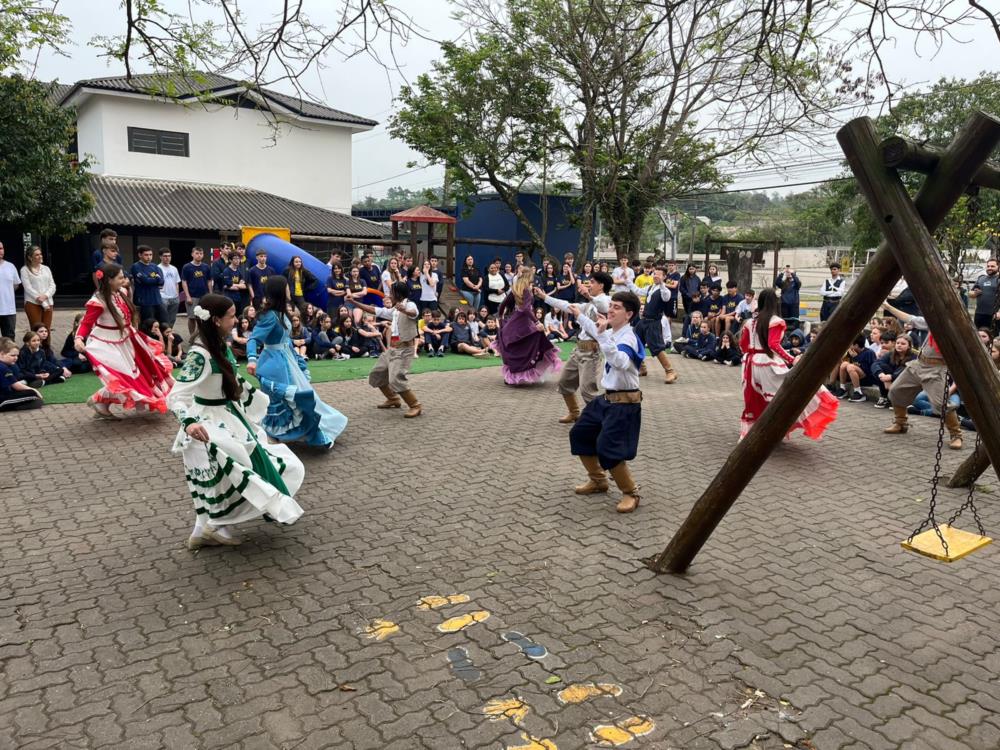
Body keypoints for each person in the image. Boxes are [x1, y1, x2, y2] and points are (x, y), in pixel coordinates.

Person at [168, 293, 305, 550]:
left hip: (228, 417)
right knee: (236, 471)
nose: (237, 320)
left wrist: (255, 397)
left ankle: (205, 530)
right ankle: (214, 527)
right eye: (232, 316)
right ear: (217, 319)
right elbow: (176, 395)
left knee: (232, 473)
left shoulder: (219, 344)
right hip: (208, 423)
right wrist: (188, 423)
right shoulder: (200, 354)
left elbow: (233, 382)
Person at [247, 276, 348, 448]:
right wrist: (251, 359)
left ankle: (304, 431)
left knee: (302, 395)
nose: (289, 289)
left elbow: (286, 341)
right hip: (276, 363)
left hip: (287, 359)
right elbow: (253, 338)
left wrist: (298, 359)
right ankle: (282, 434)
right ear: (280, 290)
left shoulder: (282, 312)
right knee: (290, 398)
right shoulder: (270, 316)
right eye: (287, 286)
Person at [568, 291, 644, 513]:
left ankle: (631, 492)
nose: (610, 309)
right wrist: (579, 315)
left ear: (629, 314)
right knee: (580, 433)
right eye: (610, 305)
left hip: (625, 403)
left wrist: (602, 336)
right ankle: (599, 481)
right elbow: (597, 330)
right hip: (607, 399)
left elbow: (620, 362)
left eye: (617, 307)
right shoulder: (613, 331)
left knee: (607, 447)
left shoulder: (629, 337)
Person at [74, 263, 175, 419]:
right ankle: (99, 401)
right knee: (123, 376)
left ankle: (100, 402)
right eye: (120, 277)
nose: (124, 280)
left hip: (127, 338)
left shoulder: (122, 291)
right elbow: (86, 322)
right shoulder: (98, 300)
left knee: (145, 370)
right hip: (106, 342)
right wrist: (79, 338)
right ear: (109, 280)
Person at [739, 288, 838, 440]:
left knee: (754, 398)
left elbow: (743, 345)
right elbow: (773, 344)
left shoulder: (750, 322)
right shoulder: (775, 321)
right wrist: (792, 359)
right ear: (774, 302)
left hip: (750, 364)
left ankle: (752, 432)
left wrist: (750, 354)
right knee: (786, 396)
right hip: (767, 363)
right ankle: (773, 431)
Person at [880, 299, 963, 449]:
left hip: (937, 369)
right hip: (919, 364)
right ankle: (900, 423)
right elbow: (910, 318)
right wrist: (887, 306)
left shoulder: (957, 329)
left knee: (940, 404)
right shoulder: (933, 321)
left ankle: (956, 434)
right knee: (896, 391)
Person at [349, 280, 423, 418]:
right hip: (392, 350)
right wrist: (353, 302)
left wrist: (405, 310)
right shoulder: (394, 310)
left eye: (391, 293)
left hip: (404, 350)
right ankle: (393, 399)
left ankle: (415, 405)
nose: (389, 295)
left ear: (398, 294)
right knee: (377, 374)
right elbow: (373, 310)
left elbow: (413, 313)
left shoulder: (409, 304)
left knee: (396, 379)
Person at [494, 266, 563, 386]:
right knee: (533, 342)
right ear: (528, 276)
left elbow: (502, 305)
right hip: (523, 323)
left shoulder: (516, 289)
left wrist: (500, 318)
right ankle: (516, 374)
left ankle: (512, 375)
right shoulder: (525, 290)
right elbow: (526, 309)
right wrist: (537, 322)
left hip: (515, 323)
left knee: (518, 349)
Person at [631, 266, 679, 383]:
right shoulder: (650, 287)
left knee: (657, 348)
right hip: (643, 321)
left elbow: (666, 297)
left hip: (654, 322)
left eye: (659, 274)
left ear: (664, 277)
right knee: (635, 342)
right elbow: (637, 290)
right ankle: (642, 368)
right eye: (654, 274)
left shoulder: (665, 290)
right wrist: (628, 281)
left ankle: (670, 371)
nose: (655, 276)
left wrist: (662, 283)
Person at [871, 334, 915, 409]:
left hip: (905, 382)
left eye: (903, 344)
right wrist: (881, 374)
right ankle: (885, 397)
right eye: (898, 343)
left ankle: (897, 398)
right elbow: (876, 363)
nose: (899, 345)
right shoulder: (891, 354)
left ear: (909, 346)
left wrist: (891, 377)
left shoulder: (913, 357)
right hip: (889, 380)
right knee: (881, 366)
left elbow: (905, 371)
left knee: (905, 370)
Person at [0, 337, 43, 411]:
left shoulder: (6, 365)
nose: (16, 358)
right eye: (12, 355)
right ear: (2, 354)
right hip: (2, 397)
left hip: (6, 392)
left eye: (17, 356)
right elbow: (16, 385)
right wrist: (34, 390)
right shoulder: (3, 367)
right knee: (32, 394)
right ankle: (9, 405)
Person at [20, 246, 56, 331]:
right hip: (33, 303)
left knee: (46, 330)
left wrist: (45, 296)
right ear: (30, 257)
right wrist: (40, 298)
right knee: (36, 330)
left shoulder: (46, 268)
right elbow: (28, 288)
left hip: (48, 302)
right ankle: (35, 345)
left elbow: (52, 285)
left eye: (40, 254)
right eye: (37, 255)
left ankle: (47, 345)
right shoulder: (24, 270)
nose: (40, 256)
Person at [835, 336, 878, 403]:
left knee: (850, 367)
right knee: (844, 364)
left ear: (856, 345)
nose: (849, 346)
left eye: (851, 344)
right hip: (854, 377)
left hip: (867, 379)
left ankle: (858, 392)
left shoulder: (869, 353)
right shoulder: (852, 352)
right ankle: (842, 388)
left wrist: (856, 357)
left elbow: (869, 369)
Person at [130, 245, 167, 324]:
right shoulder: (136, 267)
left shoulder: (155, 267)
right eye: (146, 255)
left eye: (150, 255)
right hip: (145, 301)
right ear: (140, 255)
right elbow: (145, 281)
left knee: (164, 322)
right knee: (149, 324)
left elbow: (162, 282)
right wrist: (156, 279)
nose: (149, 257)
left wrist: (153, 280)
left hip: (157, 300)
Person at [181, 247, 213, 336]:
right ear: (192, 254)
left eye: (201, 253)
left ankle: (202, 336)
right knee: (192, 318)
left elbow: (209, 281)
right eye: (197, 253)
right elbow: (184, 281)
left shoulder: (206, 267)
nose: (199, 255)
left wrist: (210, 294)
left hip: (204, 296)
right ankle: (192, 336)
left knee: (203, 317)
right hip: (192, 296)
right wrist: (187, 296)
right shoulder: (187, 267)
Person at [970, 258, 999, 332]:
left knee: (993, 337)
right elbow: (971, 294)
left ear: (998, 267)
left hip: (994, 315)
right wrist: (975, 293)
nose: (990, 268)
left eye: (992, 266)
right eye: (988, 266)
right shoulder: (981, 278)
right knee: (978, 335)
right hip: (979, 314)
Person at [0, 242, 21, 339]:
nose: (0, 251)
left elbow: (16, 285)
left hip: (8, 310)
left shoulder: (10, 266)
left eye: (1, 248)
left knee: (9, 339)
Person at [158, 249, 181, 326]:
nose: (167, 258)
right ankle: (163, 335)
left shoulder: (174, 268)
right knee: (163, 318)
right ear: (160, 257)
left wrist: (177, 295)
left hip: (174, 297)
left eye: (169, 256)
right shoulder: (157, 268)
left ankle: (169, 335)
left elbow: (176, 283)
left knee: (172, 319)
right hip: (162, 297)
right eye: (165, 256)